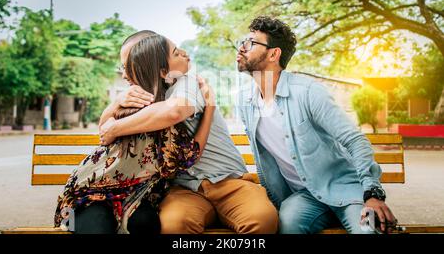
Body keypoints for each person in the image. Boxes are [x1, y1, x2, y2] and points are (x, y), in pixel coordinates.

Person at [99, 31, 278, 234]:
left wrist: (115, 127)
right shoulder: (145, 94)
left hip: (230, 182)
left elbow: (175, 111)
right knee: (174, 226)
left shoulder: (188, 82)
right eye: (125, 65)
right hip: (184, 189)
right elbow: (103, 133)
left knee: (262, 221)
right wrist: (115, 104)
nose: (124, 74)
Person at [236, 16, 397, 234]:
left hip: (350, 190)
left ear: (274, 54)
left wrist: (373, 193)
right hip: (304, 198)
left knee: (368, 230)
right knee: (286, 226)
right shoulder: (246, 102)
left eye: (252, 43)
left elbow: (355, 140)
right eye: (244, 41)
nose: (242, 47)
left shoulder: (308, 92)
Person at [54, 30, 215, 234]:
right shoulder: (140, 105)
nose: (124, 74)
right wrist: (210, 107)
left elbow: (107, 130)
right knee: (96, 225)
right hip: (91, 193)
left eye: (128, 66)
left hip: (137, 196)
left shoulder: (161, 106)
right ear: (162, 70)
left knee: (145, 223)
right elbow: (105, 133)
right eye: (175, 53)